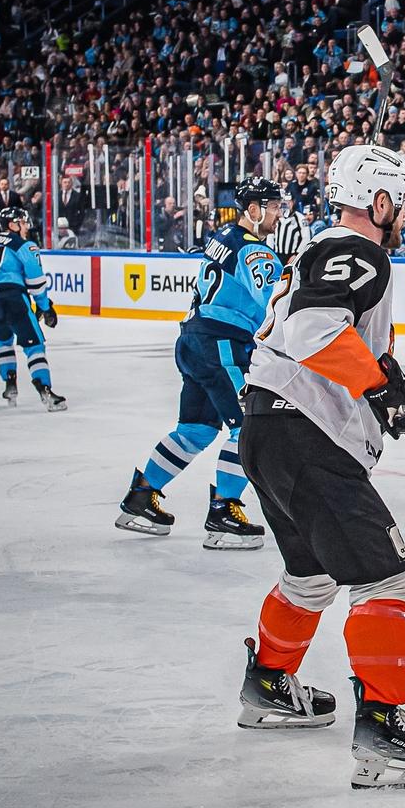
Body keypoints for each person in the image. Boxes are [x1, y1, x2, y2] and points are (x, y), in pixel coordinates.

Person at [233, 143, 405, 790]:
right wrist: (383, 389)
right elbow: (313, 328)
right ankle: (383, 730)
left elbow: (329, 331)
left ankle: (269, 684)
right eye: (400, 201)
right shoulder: (358, 249)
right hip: (306, 435)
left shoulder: (323, 248)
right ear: (379, 202)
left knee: (310, 577)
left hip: (268, 427)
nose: (404, 213)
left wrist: (388, 384)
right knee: (386, 578)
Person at [116, 177, 285, 549]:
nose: (277, 214)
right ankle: (224, 513)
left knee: (196, 430)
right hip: (222, 344)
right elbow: (273, 302)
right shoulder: (254, 251)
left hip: (193, 340)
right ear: (253, 210)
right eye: (272, 207)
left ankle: (141, 497)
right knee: (248, 427)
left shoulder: (221, 235)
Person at [0, 207, 66, 411]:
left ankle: (10, 384)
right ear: (12, 225)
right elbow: (35, 282)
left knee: (3, 339)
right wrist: (46, 307)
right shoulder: (24, 245)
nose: (26, 226)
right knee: (34, 344)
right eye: (23, 222)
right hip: (12, 297)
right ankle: (45, 390)